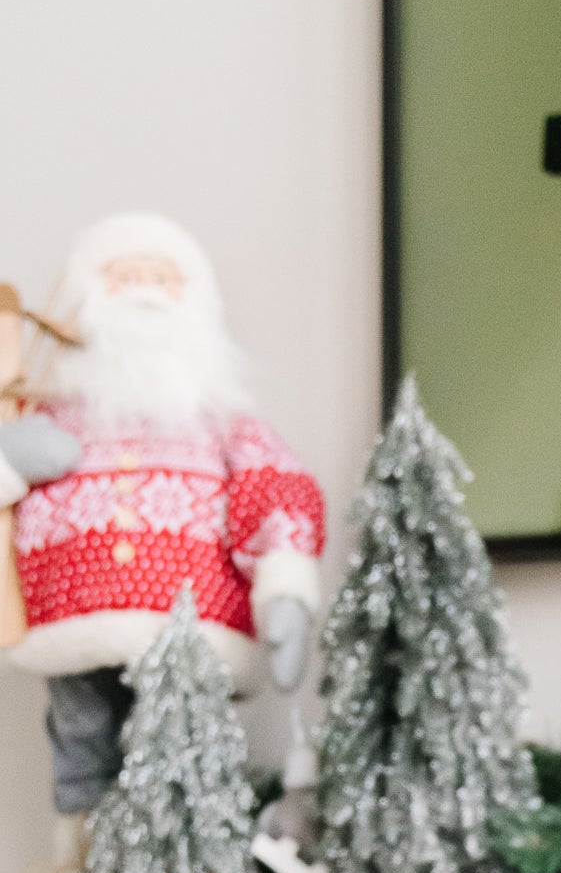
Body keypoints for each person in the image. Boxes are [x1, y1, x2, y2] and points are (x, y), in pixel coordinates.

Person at [8, 212, 325, 813]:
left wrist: (285, 592)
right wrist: (9, 457)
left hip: (192, 626)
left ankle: (186, 851)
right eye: (126, 277)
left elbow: (276, 491)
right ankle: (83, 854)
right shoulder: (50, 413)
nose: (144, 292)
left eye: (162, 278)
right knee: (81, 739)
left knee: (184, 745)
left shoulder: (224, 424)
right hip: (71, 621)